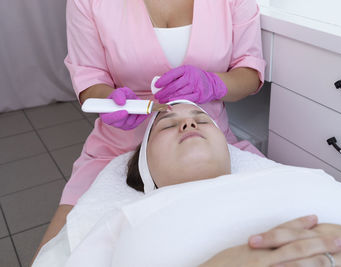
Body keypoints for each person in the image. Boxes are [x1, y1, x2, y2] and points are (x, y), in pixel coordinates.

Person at [33, 0, 266, 261]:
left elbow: (250, 71)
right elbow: (90, 78)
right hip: (115, 145)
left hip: (205, 138)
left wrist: (214, 84)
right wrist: (109, 99)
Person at [61, 101, 341, 267]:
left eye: (201, 119)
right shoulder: (128, 216)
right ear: (145, 168)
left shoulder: (306, 177)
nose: (188, 124)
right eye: (167, 124)